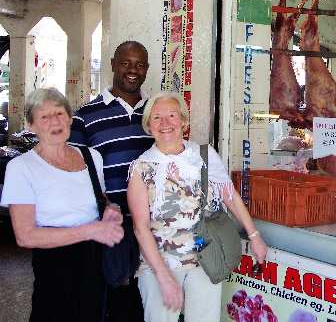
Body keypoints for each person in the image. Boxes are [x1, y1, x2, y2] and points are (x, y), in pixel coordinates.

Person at [128, 92, 268, 322]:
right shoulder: (141, 167)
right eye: (156, 118)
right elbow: (140, 228)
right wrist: (164, 277)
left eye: (172, 115)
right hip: (158, 265)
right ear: (148, 125)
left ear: (184, 121)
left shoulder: (203, 154)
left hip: (204, 259)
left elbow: (229, 195)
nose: (165, 124)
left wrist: (254, 235)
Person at [0, 88, 124, 322]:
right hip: (54, 265)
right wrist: (92, 230)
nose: (54, 122)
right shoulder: (21, 167)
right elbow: (25, 236)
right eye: (44, 117)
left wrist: (110, 211)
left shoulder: (91, 157)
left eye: (59, 113)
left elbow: (100, 199)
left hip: (94, 262)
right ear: (31, 125)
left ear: (69, 118)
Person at [70, 41, 153, 322]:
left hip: (154, 224)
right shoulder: (85, 117)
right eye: (126, 63)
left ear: (147, 70)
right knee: (115, 297)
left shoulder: (156, 113)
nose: (133, 70)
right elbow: (76, 173)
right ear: (113, 65)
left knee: (147, 296)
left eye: (140, 64)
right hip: (111, 225)